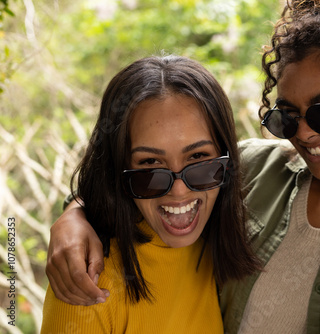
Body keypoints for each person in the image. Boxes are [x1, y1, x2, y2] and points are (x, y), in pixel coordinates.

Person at [46, 1, 320, 333]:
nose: (304, 134)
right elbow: (149, 177)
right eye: (287, 116)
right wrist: (75, 216)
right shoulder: (251, 167)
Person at [41, 55, 260, 333]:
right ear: (119, 169)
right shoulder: (88, 282)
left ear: (225, 160)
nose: (179, 190)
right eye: (150, 165)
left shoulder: (213, 238)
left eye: (198, 158)